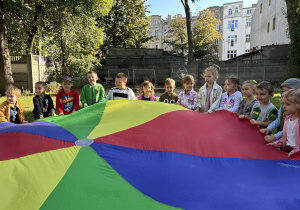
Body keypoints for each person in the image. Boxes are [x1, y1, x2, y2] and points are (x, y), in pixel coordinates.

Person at [260, 78, 300, 142]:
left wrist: (275, 136)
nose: (284, 94)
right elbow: (278, 120)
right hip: (283, 141)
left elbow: (288, 130)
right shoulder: (284, 107)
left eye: (288, 91)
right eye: (283, 91)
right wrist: (269, 128)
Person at [268, 89, 300, 157]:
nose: (284, 106)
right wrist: (276, 144)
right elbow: (287, 138)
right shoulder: (287, 120)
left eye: (288, 104)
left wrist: (295, 151)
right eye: (284, 103)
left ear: (298, 105)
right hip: (288, 151)